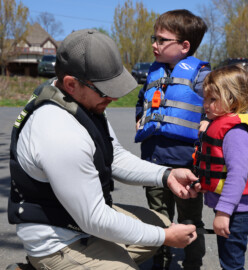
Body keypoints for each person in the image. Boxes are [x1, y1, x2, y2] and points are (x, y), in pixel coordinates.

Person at [7, 29, 200, 270]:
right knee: (157, 238)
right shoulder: (59, 131)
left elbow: (114, 156)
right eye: (106, 90)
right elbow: (94, 219)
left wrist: (166, 175)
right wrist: (165, 238)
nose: (114, 98)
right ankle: (41, 266)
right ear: (71, 84)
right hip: (59, 240)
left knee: (159, 224)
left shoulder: (81, 101)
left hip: (79, 218)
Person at [135, 9, 211, 270]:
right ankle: (160, 263)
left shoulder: (201, 76)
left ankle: (192, 264)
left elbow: (219, 104)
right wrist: (139, 116)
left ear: (184, 46)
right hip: (153, 163)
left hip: (186, 165)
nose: (154, 45)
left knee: (189, 221)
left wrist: (209, 120)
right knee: (158, 220)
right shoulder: (153, 72)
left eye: (161, 40)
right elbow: (141, 100)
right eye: (153, 38)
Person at [195, 65, 248, 270]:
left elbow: (237, 176)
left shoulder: (235, 133)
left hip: (237, 211)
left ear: (233, 100)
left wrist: (223, 213)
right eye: (205, 98)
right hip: (232, 207)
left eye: (213, 99)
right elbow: (220, 170)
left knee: (231, 263)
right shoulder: (222, 124)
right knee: (228, 259)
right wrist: (205, 184)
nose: (206, 104)